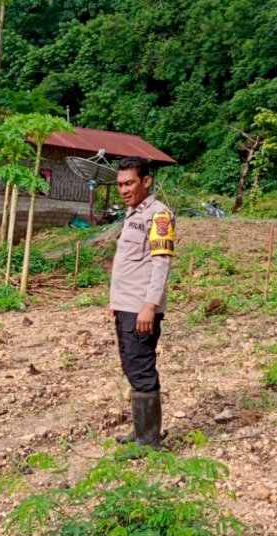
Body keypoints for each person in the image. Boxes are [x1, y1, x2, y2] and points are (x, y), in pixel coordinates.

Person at [109, 156, 175, 449]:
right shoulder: (132, 213)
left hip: (141, 309)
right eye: (120, 184)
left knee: (141, 367)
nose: (123, 190)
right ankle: (140, 433)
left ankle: (149, 441)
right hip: (127, 305)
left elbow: (161, 264)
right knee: (132, 365)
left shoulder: (159, 215)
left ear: (146, 182)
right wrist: (116, 301)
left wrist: (150, 305)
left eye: (129, 183)